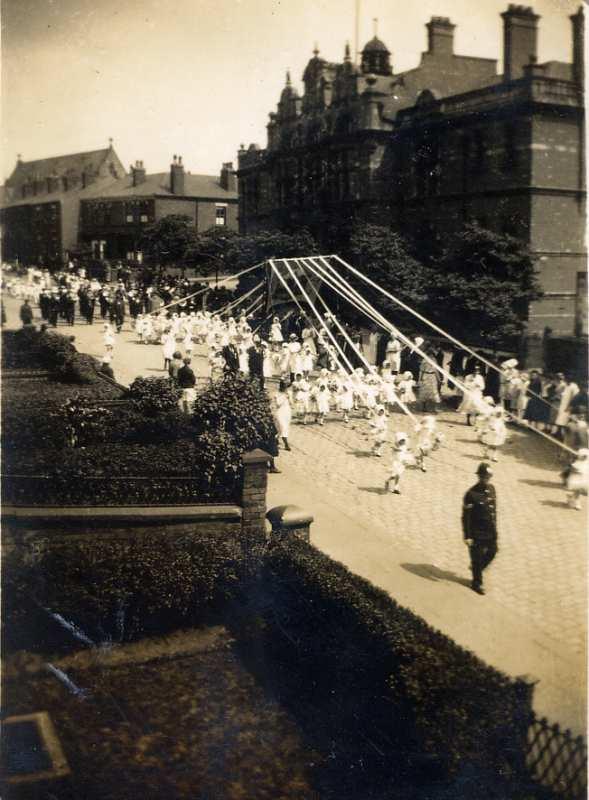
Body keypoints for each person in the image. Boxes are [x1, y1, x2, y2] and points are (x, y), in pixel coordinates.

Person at [462, 463, 498, 595]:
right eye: (484, 477)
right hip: (477, 533)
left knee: (493, 552)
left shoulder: (492, 489)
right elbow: (466, 517)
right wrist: (467, 536)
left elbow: (493, 512)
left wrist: (495, 530)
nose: (486, 479)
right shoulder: (471, 494)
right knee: (476, 558)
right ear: (479, 476)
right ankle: (476, 583)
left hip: (490, 531)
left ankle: (477, 568)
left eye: (488, 477)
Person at [274, 379, 292, 451]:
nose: (285, 388)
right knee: (282, 427)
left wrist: (289, 397)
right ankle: (286, 445)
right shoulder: (277, 394)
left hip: (287, 412)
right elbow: (278, 404)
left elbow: (291, 403)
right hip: (280, 412)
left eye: (286, 386)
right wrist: (284, 397)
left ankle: (275, 439)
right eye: (284, 386)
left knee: (283, 428)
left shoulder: (289, 393)